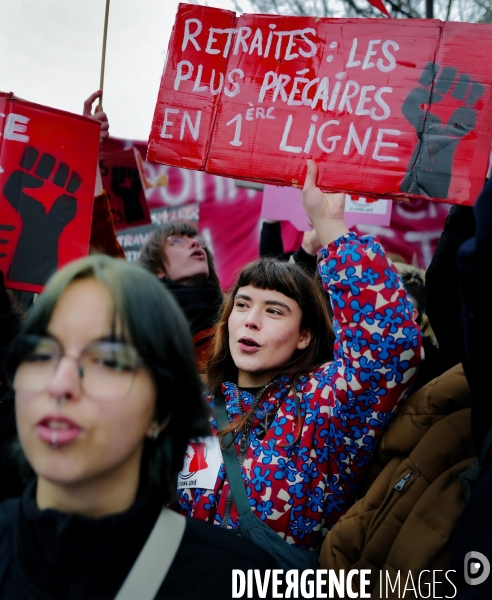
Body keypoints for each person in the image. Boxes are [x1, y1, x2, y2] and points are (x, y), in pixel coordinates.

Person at [177, 160, 423, 555]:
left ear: (304, 336)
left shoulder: (320, 405)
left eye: (274, 310)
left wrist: (330, 226)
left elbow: (391, 345)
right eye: (242, 305)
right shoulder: (193, 409)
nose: (251, 321)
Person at [0, 255, 276, 599]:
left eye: (107, 361)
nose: (60, 384)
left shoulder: (238, 582)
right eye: (42, 355)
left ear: (161, 410)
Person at [139, 223, 223, 372]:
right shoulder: (140, 326)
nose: (195, 243)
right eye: (177, 241)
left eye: (198, 240)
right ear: (157, 268)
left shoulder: (232, 316)